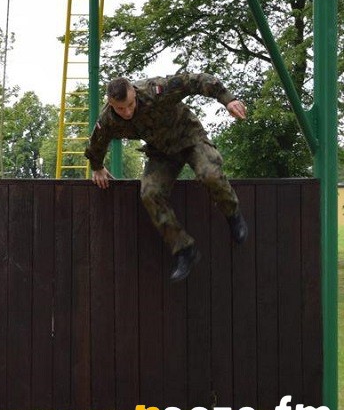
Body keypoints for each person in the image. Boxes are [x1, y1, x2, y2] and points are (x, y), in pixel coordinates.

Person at [85, 73, 248, 283]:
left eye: (130, 105)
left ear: (134, 92)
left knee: (209, 174)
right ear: (111, 103)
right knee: (149, 193)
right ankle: (184, 249)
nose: (127, 112)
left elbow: (194, 81)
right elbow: (97, 140)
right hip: (162, 152)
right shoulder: (108, 118)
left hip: (190, 138)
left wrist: (228, 99)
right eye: (120, 108)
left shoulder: (156, 90)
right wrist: (97, 166)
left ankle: (233, 214)